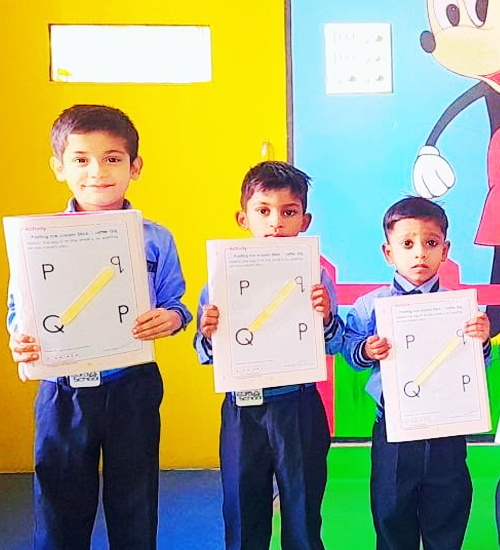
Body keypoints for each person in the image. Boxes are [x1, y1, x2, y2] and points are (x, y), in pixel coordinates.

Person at [7, 104, 192, 550]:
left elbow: (176, 305)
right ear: (59, 167)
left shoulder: (155, 238)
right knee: (60, 503)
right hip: (63, 389)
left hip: (132, 383)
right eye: (81, 159)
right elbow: (19, 310)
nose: (97, 172)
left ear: (135, 166)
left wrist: (171, 319)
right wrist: (20, 339)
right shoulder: (36, 238)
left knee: (135, 498)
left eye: (112, 158)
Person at [194, 160, 344, 550]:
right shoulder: (220, 278)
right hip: (242, 410)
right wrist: (209, 333)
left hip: (298, 405)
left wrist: (326, 317)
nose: (276, 222)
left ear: (304, 221)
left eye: (288, 212)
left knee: (303, 509)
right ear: (243, 218)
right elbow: (205, 354)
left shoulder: (317, 277)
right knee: (243, 511)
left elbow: (334, 344)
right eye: (263, 211)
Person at [342, 196, 491, 550]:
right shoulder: (371, 306)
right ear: (388, 252)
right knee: (391, 513)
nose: (420, 253)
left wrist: (482, 341)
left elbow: (478, 365)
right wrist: (366, 349)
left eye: (431, 243)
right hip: (394, 430)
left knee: (449, 511)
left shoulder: (463, 308)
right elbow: (350, 351)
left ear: (445, 250)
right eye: (407, 244)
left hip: (447, 430)